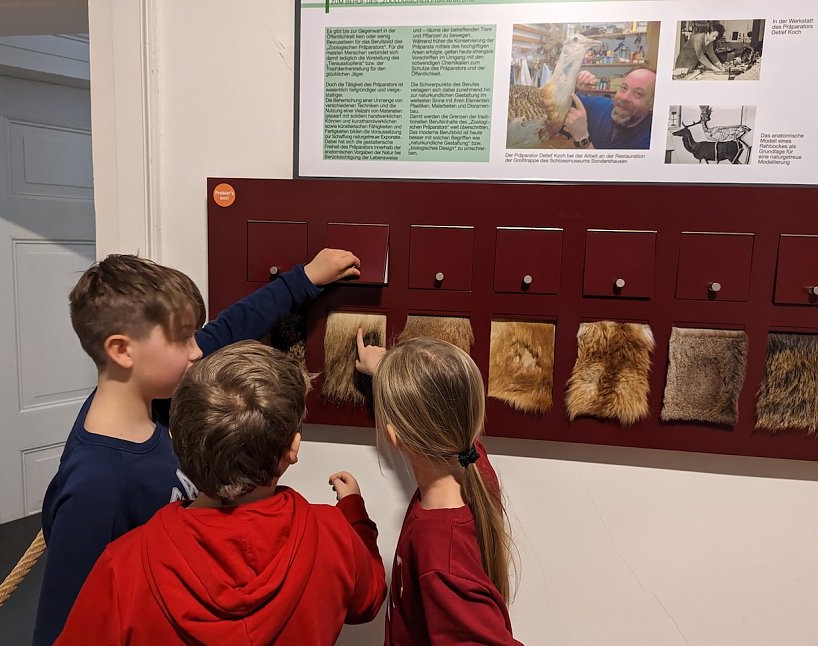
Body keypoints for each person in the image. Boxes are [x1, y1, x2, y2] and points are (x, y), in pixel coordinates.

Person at [33, 249, 360, 646]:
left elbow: (229, 329)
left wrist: (303, 280)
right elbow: (65, 626)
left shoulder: (159, 396)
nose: (197, 351)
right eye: (182, 338)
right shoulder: (95, 487)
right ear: (122, 350)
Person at [55, 340, 386, 644]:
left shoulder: (124, 566)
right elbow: (368, 600)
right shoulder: (333, 534)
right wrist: (354, 515)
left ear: (176, 440)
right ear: (292, 449)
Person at [356, 332, 523, 645]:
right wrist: (385, 369)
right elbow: (442, 404)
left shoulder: (439, 556)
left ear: (394, 436)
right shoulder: (474, 464)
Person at [562, 66, 656, 150]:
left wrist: (582, 138)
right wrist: (573, 85)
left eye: (638, 93)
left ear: (652, 104)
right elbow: (563, 103)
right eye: (624, 88)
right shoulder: (600, 106)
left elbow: (608, 165)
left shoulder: (652, 140)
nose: (624, 97)